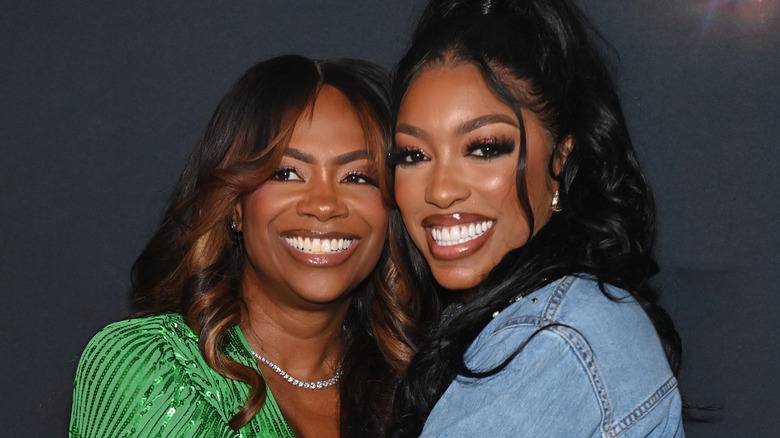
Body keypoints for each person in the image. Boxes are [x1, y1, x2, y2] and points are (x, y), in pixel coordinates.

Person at [70, 54, 415, 438]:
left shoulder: (422, 390)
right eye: (286, 173)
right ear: (234, 204)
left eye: (357, 176)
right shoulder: (152, 368)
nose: (324, 204)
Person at [385, 0, 685, 436]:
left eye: (485, 148)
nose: (440, 190)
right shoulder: (551, 317)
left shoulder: (554, 340)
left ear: (562, 157)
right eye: (414, 155)